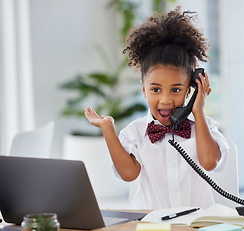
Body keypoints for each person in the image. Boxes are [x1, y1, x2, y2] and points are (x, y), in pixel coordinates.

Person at [84, 7, 229, 209]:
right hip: (151, 227)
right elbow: (128, 174)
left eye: (176, 90)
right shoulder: (135, 133)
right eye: (156, 89)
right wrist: (108, 128)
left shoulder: (206, 128)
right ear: (144, 89)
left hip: (198, 225)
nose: (166, 100)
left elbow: (209, 162)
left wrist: (198, 111)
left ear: (191, 89)